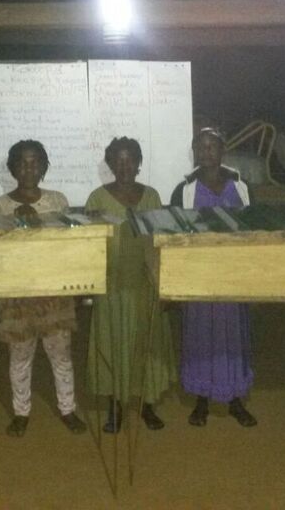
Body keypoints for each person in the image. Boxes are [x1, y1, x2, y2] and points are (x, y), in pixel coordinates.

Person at [0, 140, 87, 437]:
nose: (28, 169)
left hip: (53, 291)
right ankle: (21, 412)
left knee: (61, 356)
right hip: (17, 293)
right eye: (22, 163)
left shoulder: (57, 201)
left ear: (43, 167)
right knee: (20, 358)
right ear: (12, 168)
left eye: (34, 163)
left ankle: (68, 409)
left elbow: (68, 245)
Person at [85, 137, 177, 433]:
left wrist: (163, 285)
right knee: (112, 345)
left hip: (145, 285)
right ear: (111, 164)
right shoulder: (97, 198)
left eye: (130, 160)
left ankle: (147, 405)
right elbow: (89, 246)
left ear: (139, 163)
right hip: (111, 287)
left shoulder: (151, 196)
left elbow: (160, 243)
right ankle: (115, 408)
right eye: (118, 160)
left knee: (146, 345)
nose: (124, 166)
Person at [169, 128, 256, 428]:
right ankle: (201, 400)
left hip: (234, 276)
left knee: (233, 337)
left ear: (222, 150)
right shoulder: (184, 190)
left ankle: (235, 400)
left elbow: (254, 228)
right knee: (200, 336)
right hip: (199, 275)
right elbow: (174, 233)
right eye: (200, 147)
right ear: (194, 152)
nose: (206, 152)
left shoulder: (241, 187)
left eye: (212, 147)